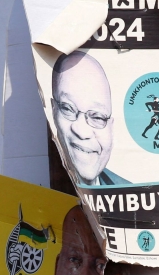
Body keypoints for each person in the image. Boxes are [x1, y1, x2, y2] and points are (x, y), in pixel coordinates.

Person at [51, 51, 129, 186]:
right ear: (53, 110)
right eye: (68, 108)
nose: (82, 132)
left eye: (98, 117)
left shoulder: (131, 193)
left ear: (111, 127)